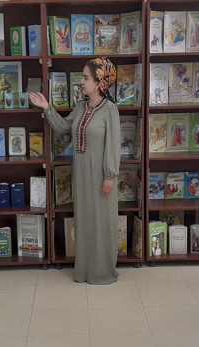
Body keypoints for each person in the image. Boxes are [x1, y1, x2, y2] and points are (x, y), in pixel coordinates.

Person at [30, 57, 120, 285]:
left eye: (86, 78)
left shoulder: (110, 110)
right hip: (81, 174)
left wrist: (110, 175)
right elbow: (63, 126)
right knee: (85, 221)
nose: (81, 81)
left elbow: (113, 145)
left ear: (99, 82)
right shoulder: (81, 106)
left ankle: (102, 271)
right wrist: (47, 107)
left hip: (101, 176)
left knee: (101, 222)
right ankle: (85, 270)